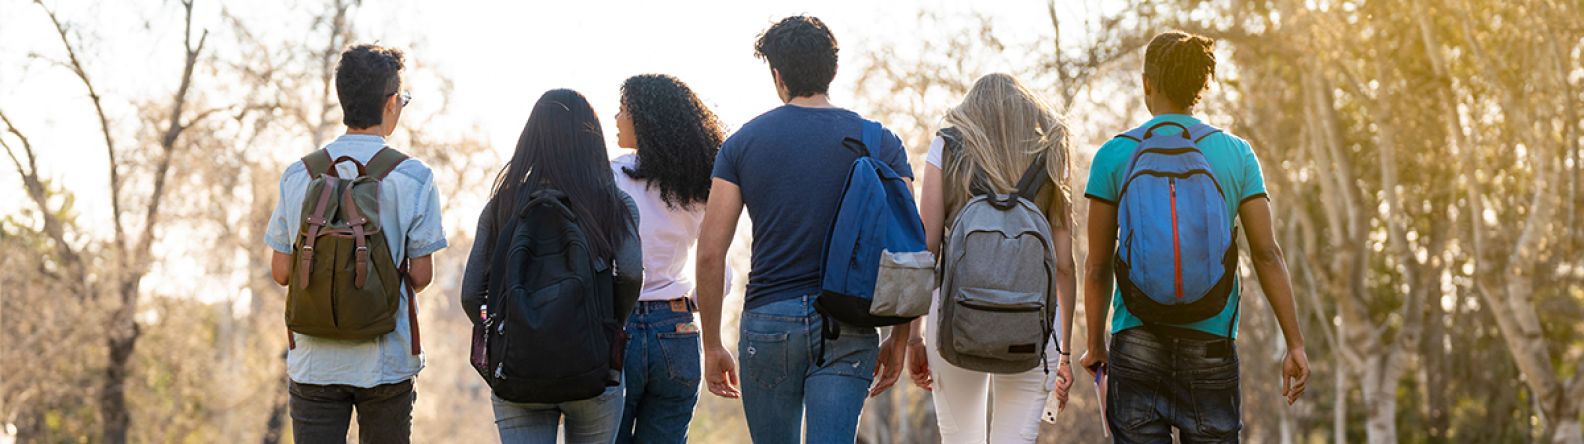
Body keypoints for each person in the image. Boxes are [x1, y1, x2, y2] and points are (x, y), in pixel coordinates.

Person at [1078, 31, 1311, 443]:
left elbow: (1097, 266)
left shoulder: (1114, 155)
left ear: (1147, 82)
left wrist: (1096, 343)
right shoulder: (1236, 153)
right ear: (1200, 87)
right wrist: (1294, 343)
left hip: (1137, 339)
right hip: (1211, 343)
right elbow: (1267, 254)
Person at [695, 15, 912, 444]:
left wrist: (713, 343)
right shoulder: (880, 141)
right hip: (850, 321)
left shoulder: (742, 144)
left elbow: (709, 254)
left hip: (769, 320)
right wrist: (898, 337)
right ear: (832, 70)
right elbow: (907, 248)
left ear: (778, 76)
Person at [265, 43, 446, 444]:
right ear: (391, 103)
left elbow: (281, 272)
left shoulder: (299, 175)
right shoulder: (413, 177)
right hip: (385, 361)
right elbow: (420, 273)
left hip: (314, 362)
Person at [459, 89, 643, 443]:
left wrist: (504, 330)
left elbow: (471, 293)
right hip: (593, 368)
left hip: (518, 368)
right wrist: (607, 324)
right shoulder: (613, 203)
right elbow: (632, 272)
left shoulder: (501, 205)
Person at [903, 73, 1078, 443]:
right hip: (1033, 324)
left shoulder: (947, 145)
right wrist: (1064, 353)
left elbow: (927, 251)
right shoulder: (1052, 146)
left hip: (954, 320)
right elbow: (1063, 265)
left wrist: (914, 338)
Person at [610, 73, 727, 443]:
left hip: (616, 325)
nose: (615, 118)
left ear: (644, 119)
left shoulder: (609, 176)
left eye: (623, 110)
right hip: (676, 330)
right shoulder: (698, 184)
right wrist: (689, 304)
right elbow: (716, 268)